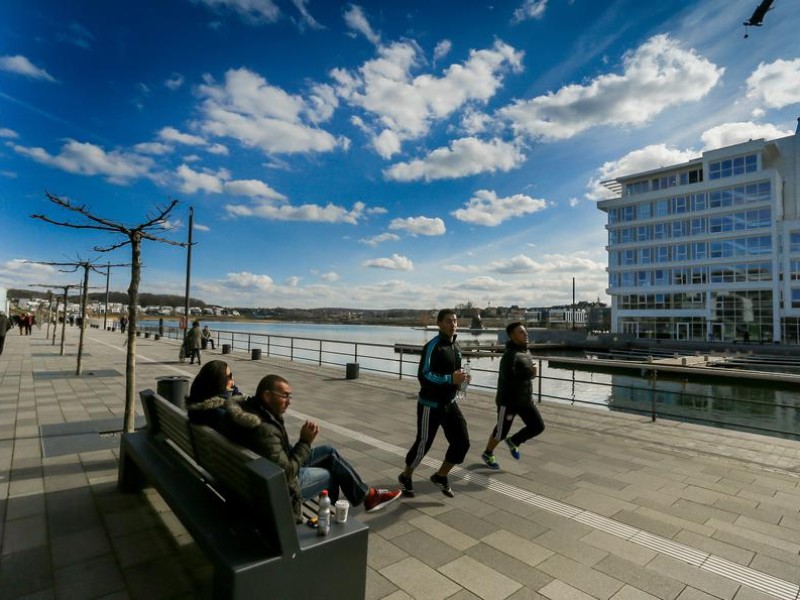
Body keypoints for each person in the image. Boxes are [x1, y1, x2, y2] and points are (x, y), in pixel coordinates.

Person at [192, 371, 401, 523]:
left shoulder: (215, 412)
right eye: (229, 377)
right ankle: (335, 515)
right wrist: (304, 442)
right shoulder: (252, 423)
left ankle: (367, 496)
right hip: (275, 487)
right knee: (332, 469)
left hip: (249, 472)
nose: (233, 381)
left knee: (329, 451)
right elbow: (287, 472)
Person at [398, 308, 470, 498]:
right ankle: (406, 476)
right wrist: (449, 379)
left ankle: (441, 475)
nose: (452, 324)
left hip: (450, 403)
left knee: (462, 442)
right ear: (439, 323)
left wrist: (462, 380)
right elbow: (423, 375)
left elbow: (457, 374)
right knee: (423, 445)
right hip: (430, 404)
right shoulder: (433, 346)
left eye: (455, 321)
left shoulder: (456, 348)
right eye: (448, 321)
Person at [480, 322, 545, 470]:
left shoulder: (526, 352)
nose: (526, 334)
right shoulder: (509, 356)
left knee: (538, 426)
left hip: (525, 400)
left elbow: (526, 375)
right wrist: (530, 372)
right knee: (501, 432)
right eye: (521, 332)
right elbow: (509, 377)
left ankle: (514, 441)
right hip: (508, 402)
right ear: (512, 336)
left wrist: (530, 374)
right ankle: (488, 453)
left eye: (525, 331)